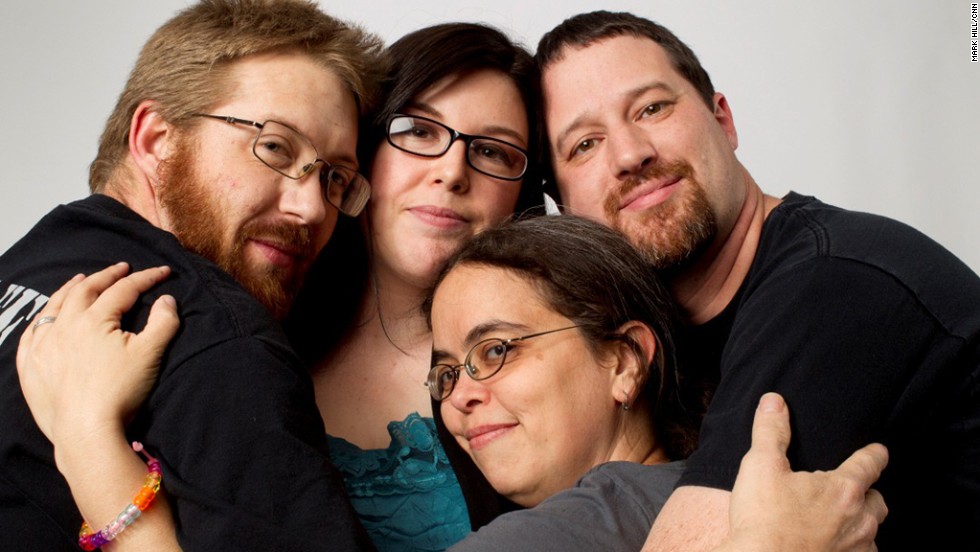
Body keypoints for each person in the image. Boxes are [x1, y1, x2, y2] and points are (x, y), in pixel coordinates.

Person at [17, 215, 889, 552]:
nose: (459, 395)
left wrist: (89, 439)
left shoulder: (586, 524)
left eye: (497, 349)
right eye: (444, 371)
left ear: (624, 360)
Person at [534, 10, 980, 550]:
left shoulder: (835, 284)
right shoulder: (650, 343)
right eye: (584, 144)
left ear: (723, 119)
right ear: (564, 212)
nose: (630, 154)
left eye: (652, 108)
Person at [0, 1, 386, 550]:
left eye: (335, 177)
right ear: (156, 139)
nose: (313, 209)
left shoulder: (30, 256)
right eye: (275, 147)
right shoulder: (225, 345)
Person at [282, 22, 543, 551]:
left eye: (494, 151)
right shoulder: (251, 334)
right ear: (362, 148)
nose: (452, 173)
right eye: (419, 130)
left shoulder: (544, 366)